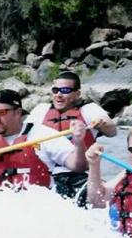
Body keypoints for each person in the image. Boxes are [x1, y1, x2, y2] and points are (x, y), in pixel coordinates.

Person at [0, 89, 88, 200]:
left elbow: (79, 166)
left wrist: (78, 143)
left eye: (2, 112)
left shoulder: (43, 134)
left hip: (36, 208)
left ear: (18, 113)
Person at [27, 71, 117, 199]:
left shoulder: (88, 110)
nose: (59, 95)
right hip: (45, 174)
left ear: (77, 94)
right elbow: (22, 135)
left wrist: (102, 124)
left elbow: (112, 131)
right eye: (55, 90)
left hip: (78, 175)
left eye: (65, 90)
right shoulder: (41, 110)